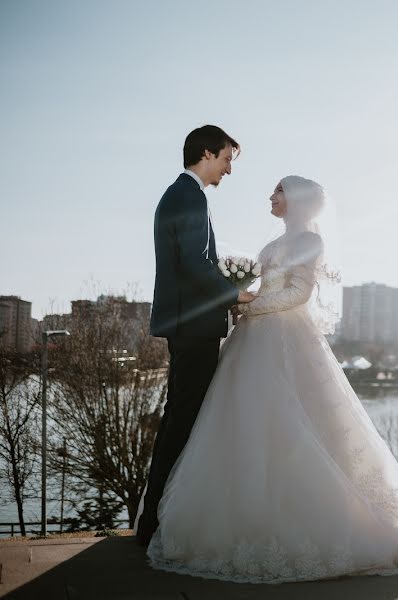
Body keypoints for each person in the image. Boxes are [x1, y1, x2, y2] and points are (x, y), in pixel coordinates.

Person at [145, 175, 398, 583]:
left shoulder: (308, 243)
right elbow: (264, 287)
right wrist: (243, 299)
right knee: (242, 423)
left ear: (296, 200)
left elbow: (298, 293)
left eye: (279, 190)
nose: (271, 196)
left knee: (296, 422)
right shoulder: (272, 244)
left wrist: (252, 307)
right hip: (253, 341)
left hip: (284, 339)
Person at [136, 125, 255, 546]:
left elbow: (195, 261)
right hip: (193, 326)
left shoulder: (181, 194)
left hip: (187, 322)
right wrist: (236, 295)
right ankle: (154, 521)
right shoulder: (188, 195)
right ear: (206, 154)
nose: (228, 169)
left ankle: (154, 516)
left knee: (178, 418)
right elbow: (193, 264)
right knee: (183, 420)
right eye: (226, 159)